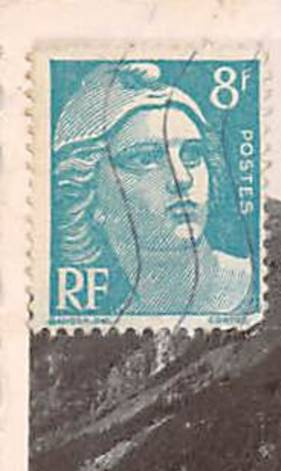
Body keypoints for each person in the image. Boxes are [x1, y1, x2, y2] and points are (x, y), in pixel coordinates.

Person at [52, 61, 252, 316]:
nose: (181, 178)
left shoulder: (258, 284)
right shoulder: (119, 326)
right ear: (87, 195)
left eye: (192, 154)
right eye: (144, 159)